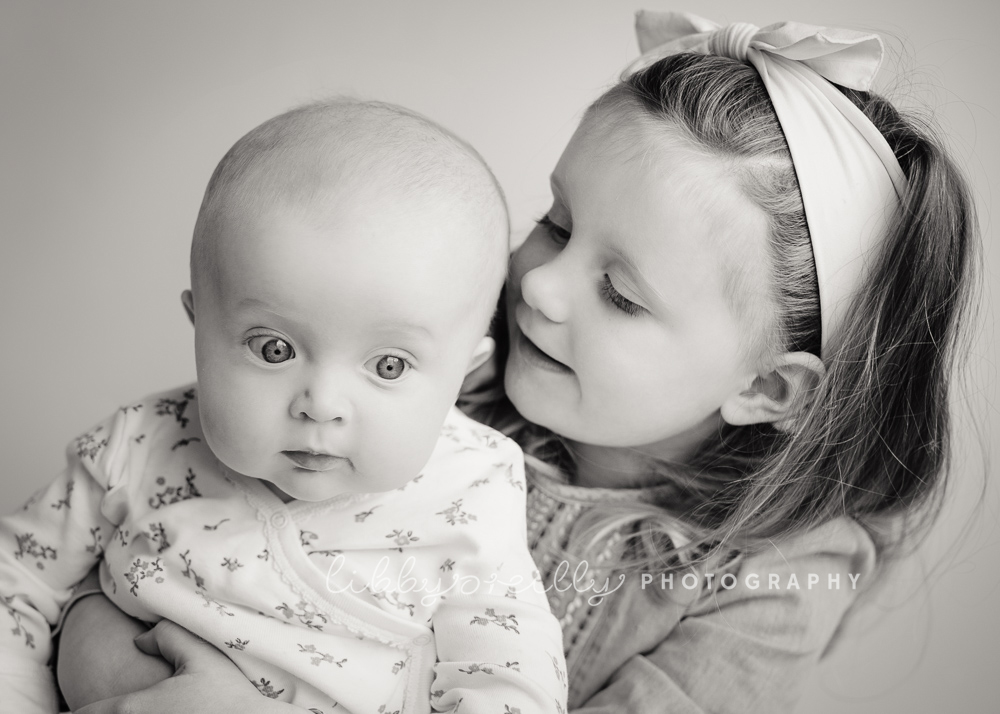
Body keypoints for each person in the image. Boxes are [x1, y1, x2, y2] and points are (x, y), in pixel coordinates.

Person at [53, 10, 978, 714]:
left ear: (764, 386)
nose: (538, 286)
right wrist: (96, 632)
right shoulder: (421, 400)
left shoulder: (774, 585)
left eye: (620, 294)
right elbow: (182, 541)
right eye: (557, 224)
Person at [0, 98, 570, 714]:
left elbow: (512, 684)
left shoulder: (472, 490)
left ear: (462, 372)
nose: (321, 405)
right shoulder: (138, 446)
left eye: (388, 365)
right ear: (199, 327)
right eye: (274, 348)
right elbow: (15, 587)